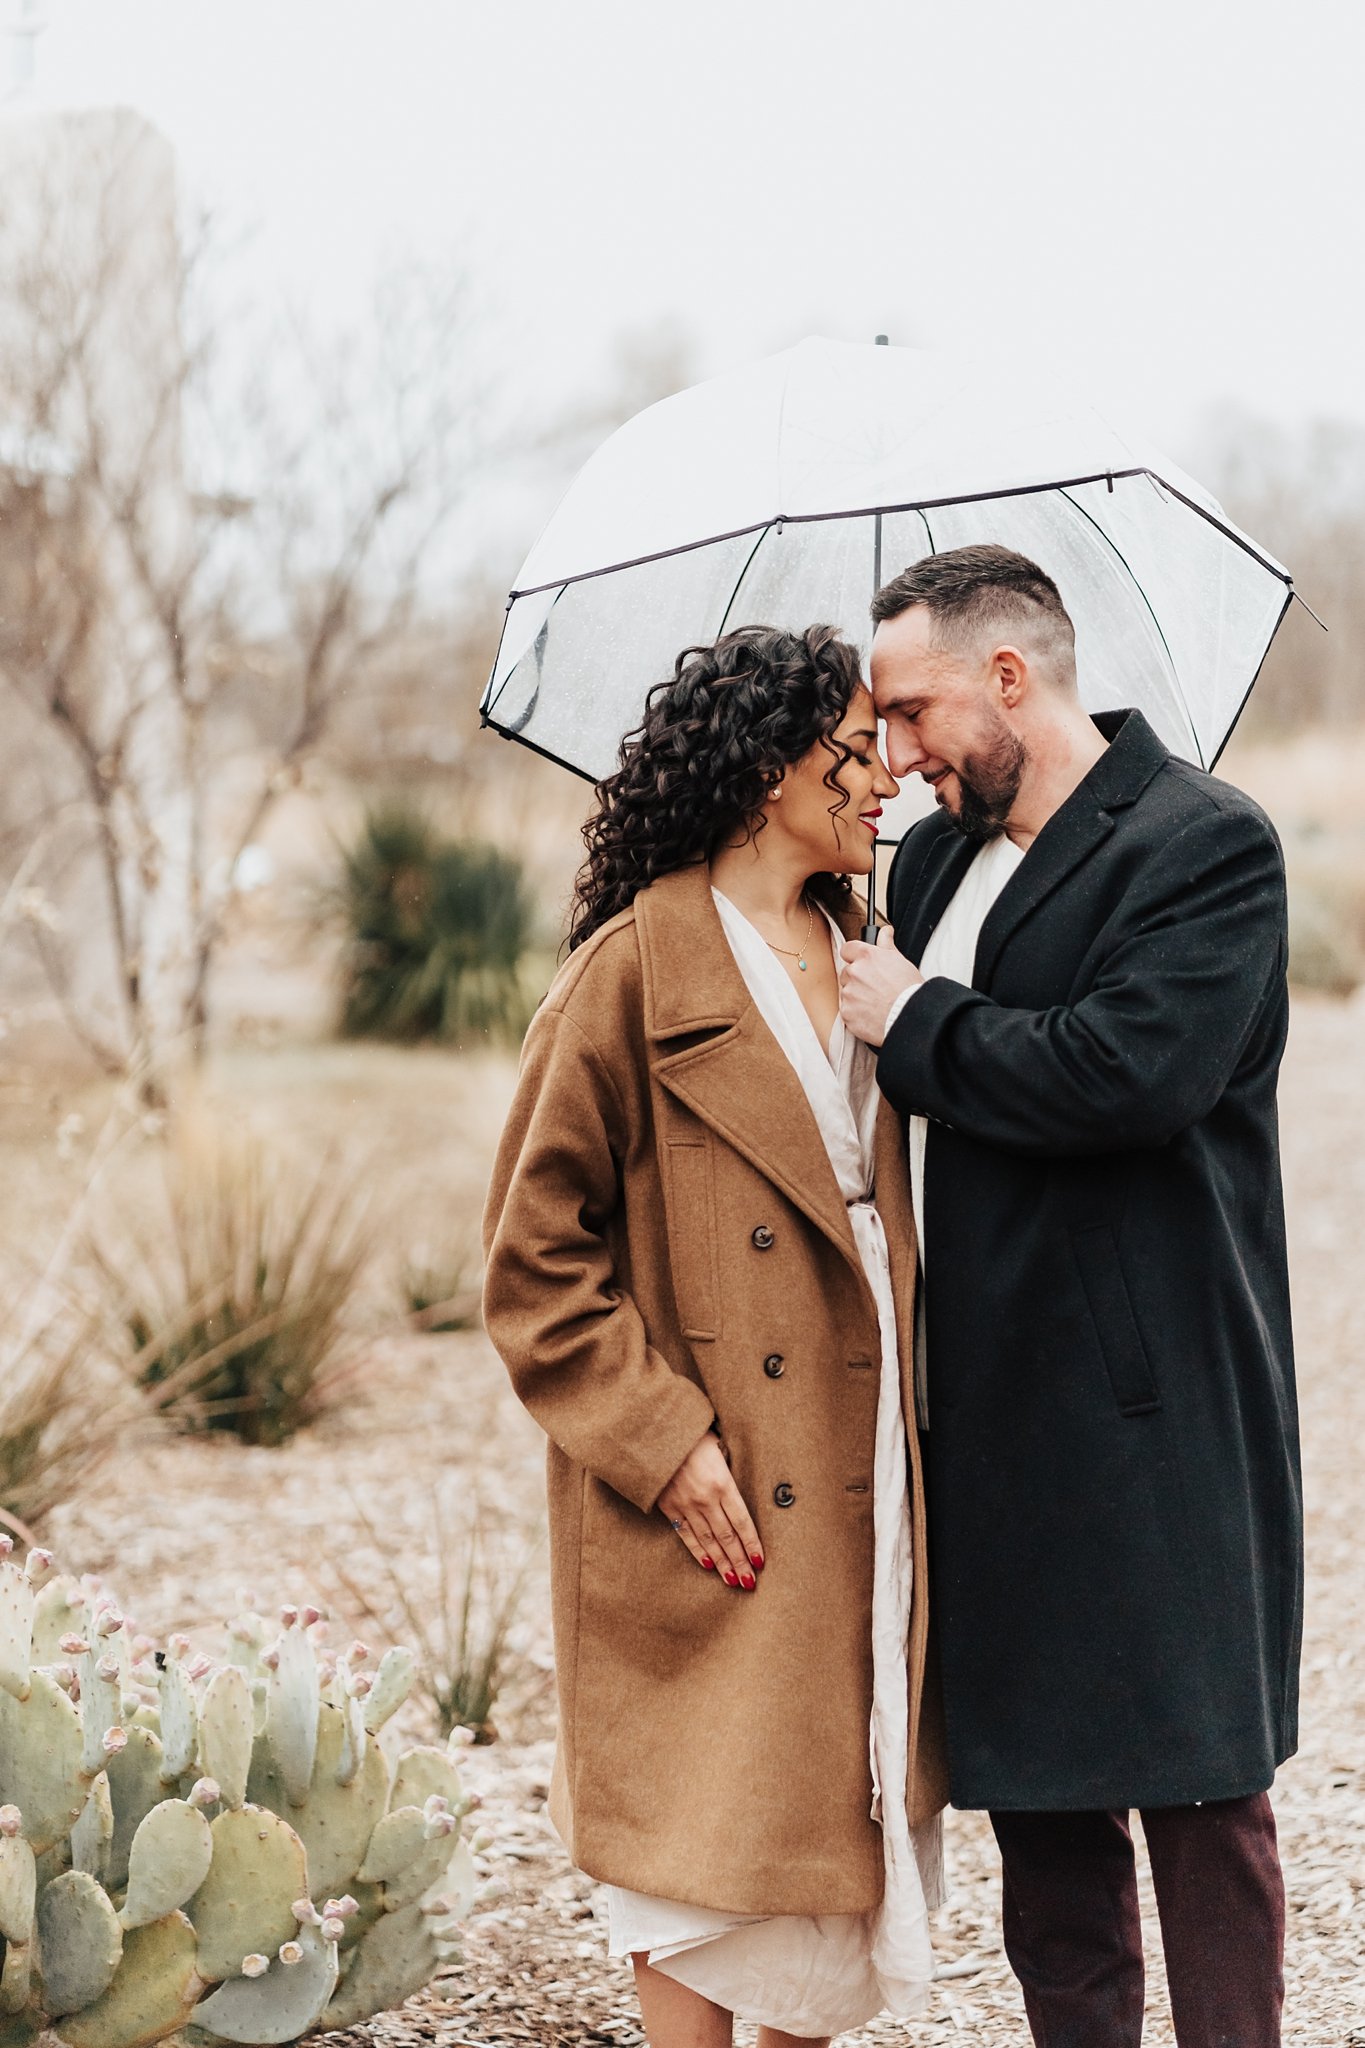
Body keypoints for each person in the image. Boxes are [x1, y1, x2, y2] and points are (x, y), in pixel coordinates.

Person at [838, 544, 1302, 2048]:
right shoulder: (920, 863)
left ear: (1008, 676)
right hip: (973, 1394)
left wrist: (917, 1020)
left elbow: (1127, 1075)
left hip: (1149, 1392)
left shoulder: (1202, 845)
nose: (894, 755)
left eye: (910, 714)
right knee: (1039, 1812)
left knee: (1198, 1791)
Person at [482, 623, 948, 2048]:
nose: (886, 786)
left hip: (858, 1444)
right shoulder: (628, 974)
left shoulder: (869, 951)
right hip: (716, 1471)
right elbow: (531, 1260)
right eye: (853, 757)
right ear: (763, 776)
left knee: (827, 1864)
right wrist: (662, 1441)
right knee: (701, 1854)